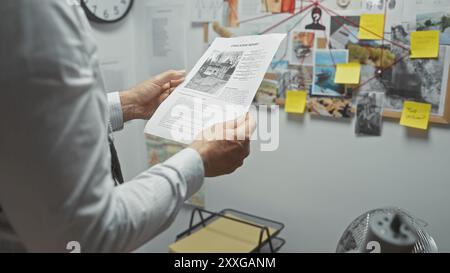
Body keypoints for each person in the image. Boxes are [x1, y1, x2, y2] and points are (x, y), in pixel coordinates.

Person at [0, 0, 255, 252]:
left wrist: (127, 105)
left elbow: (31, 128)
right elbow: (84, 238)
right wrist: (199, 161)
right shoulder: (32, 12)